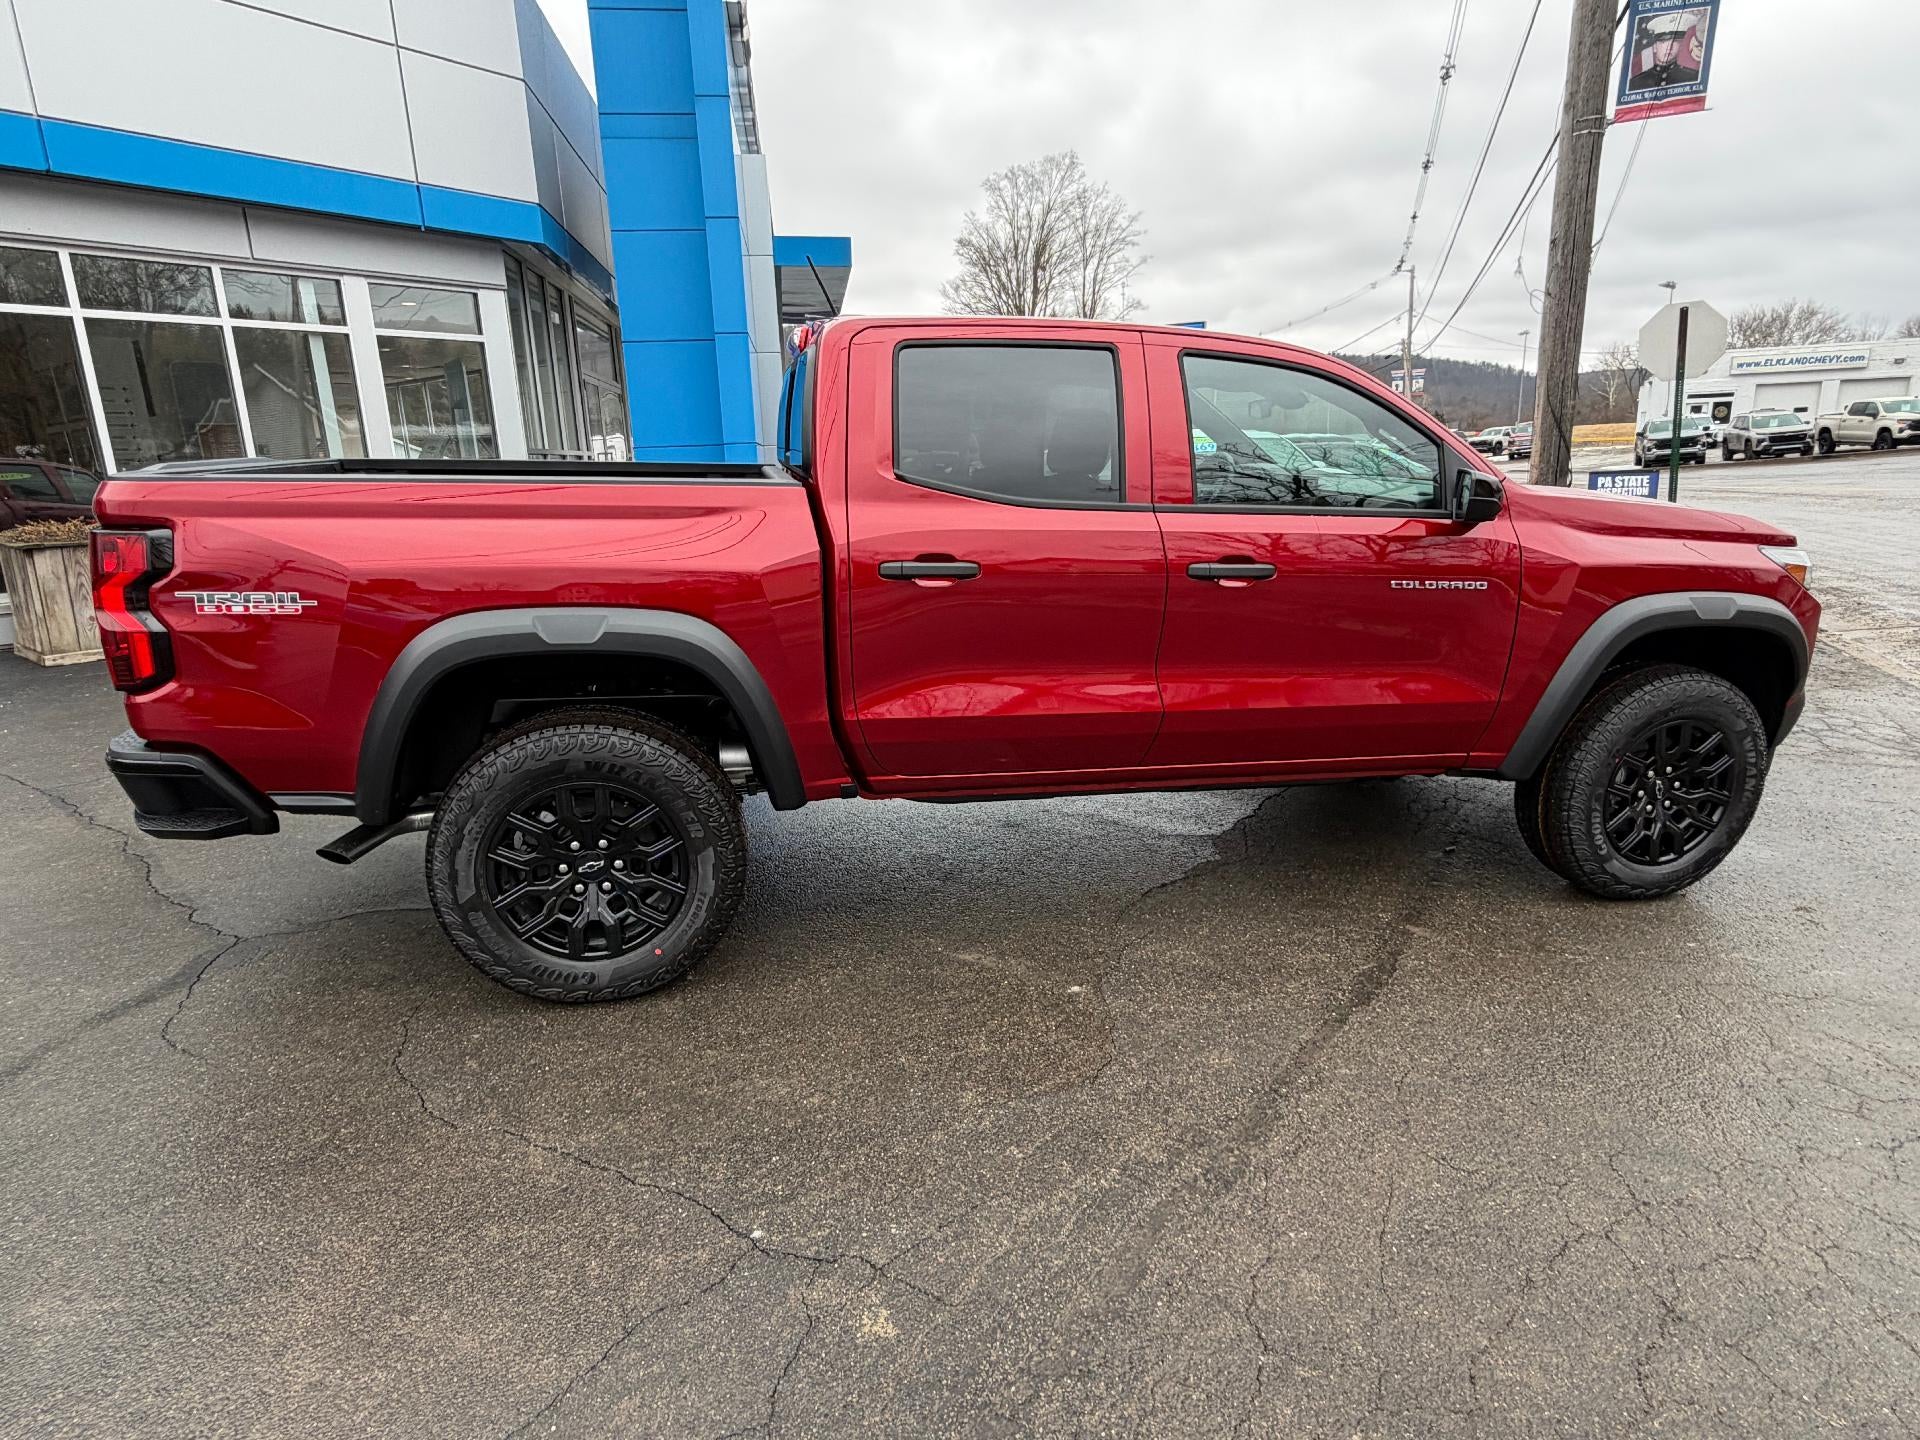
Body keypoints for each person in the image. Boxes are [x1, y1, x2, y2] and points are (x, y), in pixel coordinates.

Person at [1628, 12, 1701, 92]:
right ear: (1655, 47)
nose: (1669, 47)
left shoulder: (1693, 77)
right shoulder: (1635, 83)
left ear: (1680, 46)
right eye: (1663, 42)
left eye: (1675, 41)